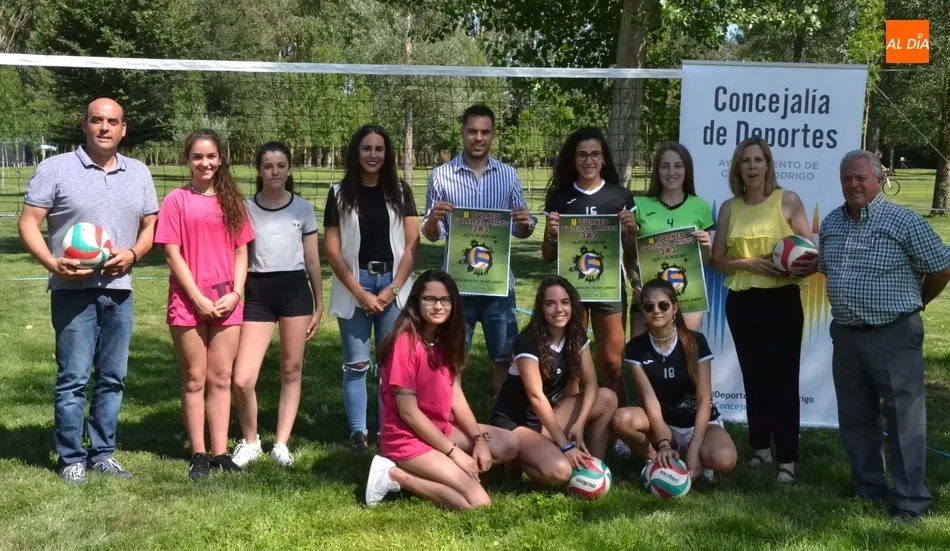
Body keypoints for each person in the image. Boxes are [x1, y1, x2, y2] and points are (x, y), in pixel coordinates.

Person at [18, 98, 158, 483]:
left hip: (119, 290)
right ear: (85, 125)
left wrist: (132, 254)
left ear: (123, 129)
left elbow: (151, 225)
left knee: (113, 378)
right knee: (74, 378)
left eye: (112, 121)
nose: (104, 127)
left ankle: (102, 453)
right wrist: (52, 263)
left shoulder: (139, 172)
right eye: (97, 120)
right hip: (72, 290)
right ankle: (71, 458)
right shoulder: (55, 168)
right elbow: (28, 222)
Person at [814, 149, 950, 524]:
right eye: (847, 178)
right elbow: (827, 268)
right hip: (847, 335)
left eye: (861, 177)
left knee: (904, 420)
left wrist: (919, 302)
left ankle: (910, 500)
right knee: (856, 416)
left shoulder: (903, 221)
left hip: (893, 334)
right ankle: (868, 487)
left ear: (878, 179)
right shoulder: (832, 222)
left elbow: (941, 267)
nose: (853, 184)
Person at [365, 270, 519, 510]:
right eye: (430, 299)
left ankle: (443, 469)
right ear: (416, 302)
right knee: (479, 504)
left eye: (445, 300)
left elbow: (456, 397)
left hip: (441, 429)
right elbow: (409, 413)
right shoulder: (405, 344)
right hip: (407, 438)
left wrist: (478, 439)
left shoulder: (447, 340)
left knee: (509, 443)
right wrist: (455, 453)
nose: (438, 306)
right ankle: (396, 474)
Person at [709, 136, 814, 483]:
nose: (752, 166)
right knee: (753, 376)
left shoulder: (788, 201)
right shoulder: (729, 207)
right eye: (746, 161)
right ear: (737, 168)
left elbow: (811, 255)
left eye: (758, 160)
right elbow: (717, 260)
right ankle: (760, 449)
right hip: (742, 301)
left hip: (781, 300)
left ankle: (788, 459)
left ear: (768, 164)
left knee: (782, 379)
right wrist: (748, 264)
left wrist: (791, 267)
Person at [154, 129, 255, 481]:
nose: (204, 163)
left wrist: (236, 293)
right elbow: (172, 253)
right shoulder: (176, 201)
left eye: (211, 156)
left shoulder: (233, 202)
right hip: (188, 301)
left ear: (220, 159)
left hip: (227, 300)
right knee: (195, 378)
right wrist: (196, 296)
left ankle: (220, 452)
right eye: (197, 156)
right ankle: (198, 453)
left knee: (221, 377)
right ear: (187, 160)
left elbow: (242, 252)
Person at [422, 104, 536, 397]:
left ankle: (503, 417)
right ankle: (450, 416)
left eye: (485, 132)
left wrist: (525, 223)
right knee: (452, 358)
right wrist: (433, 220)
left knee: (504, 358)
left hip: (498, 285)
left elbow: (521, 229)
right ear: (462, 132)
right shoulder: (441, 176)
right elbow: (432, 234)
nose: (478, 138)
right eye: (472, 131)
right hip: (457, 285)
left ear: (493, 135)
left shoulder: (509, 175)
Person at [325, 125, 420, 454]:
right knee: (356, 364)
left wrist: (394, 288)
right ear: (356, 152)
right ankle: (359, 434)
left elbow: (413, 246)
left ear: (387, 154)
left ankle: (387, 430)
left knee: (391, 365)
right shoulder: (339, 193)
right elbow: (332, 251)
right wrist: (360, 292)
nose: (373, 155)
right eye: (367, 148)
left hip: (393, 285)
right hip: (355, 285)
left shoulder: (401, 192)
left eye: (379, 149)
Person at [231, 142, 324, 468]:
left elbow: (312, 261)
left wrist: (319, 303)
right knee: (242, 378)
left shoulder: (303, 209)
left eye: (281, 165)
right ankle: (251, 441)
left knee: (291, 369)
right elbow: (238, 255)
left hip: (295, 293)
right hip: (258, 294)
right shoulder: (245, 208)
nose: (275, 172)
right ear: (259, 170)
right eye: (268, 166)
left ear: (289, 168)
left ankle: (281, 444)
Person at [541, 127, 638, 413]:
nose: (589, 160)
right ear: (573, 159)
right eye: (582, 155)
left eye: (595, 154)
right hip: (571, 292)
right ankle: (571, 421)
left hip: (609, 288)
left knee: (612, 363)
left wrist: (631, 232)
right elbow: (548, 256)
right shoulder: (559, 199)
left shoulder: (620, 196)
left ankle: (618, 422)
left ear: (604, 158)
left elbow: (631, 253)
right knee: (573, 364)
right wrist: (551, 235)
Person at [491, 276, 618, 486]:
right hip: (517, 423)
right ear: (541, 309)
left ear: (572, 305)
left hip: (547, 417)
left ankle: (595, 471)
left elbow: (591, 384)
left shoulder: (576, 336)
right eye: (550, 303)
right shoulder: (527, 341)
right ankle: (513, 458)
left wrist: (579, 424)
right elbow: (536, 397)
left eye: (565, 302)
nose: (559, 309)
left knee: (607, 398)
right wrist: (564, 444)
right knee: (559, 472)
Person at [611, 279, 737, 482]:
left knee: (725, 460)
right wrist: (662, 444)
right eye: (648, 307)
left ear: (674, 309)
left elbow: (704, 400)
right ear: (642, 312)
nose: (656, 311)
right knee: (621, 419)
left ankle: (697, 457)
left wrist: (694, 450)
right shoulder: (636, 347)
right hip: (665, 424)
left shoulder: (696, 341)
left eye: (663, 305)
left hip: (699, 424)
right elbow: (649, 400)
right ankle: (657, 463)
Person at [632, 142, 714, 336]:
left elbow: (705, 261)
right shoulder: (639, 205)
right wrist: (635, 282)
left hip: (688, 294)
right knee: (641, 351)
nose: (671, 172)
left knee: (688, 349)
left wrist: (706, 247)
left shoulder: (701, 207)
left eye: (678, 165)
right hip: (648, 294)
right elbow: (629, 254)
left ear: (687, 170)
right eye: (664, 166)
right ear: (657, 170)